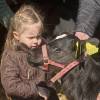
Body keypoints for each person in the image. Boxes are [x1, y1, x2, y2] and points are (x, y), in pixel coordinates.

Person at [0, 4, 59, 100]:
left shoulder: (43, 45)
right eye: (31, 37)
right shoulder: (11, 55)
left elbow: (50, 69)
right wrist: (37, 90)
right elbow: (11, 86)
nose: (36, 41)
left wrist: (51, 86)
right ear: (16, 35)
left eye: (38, 36)